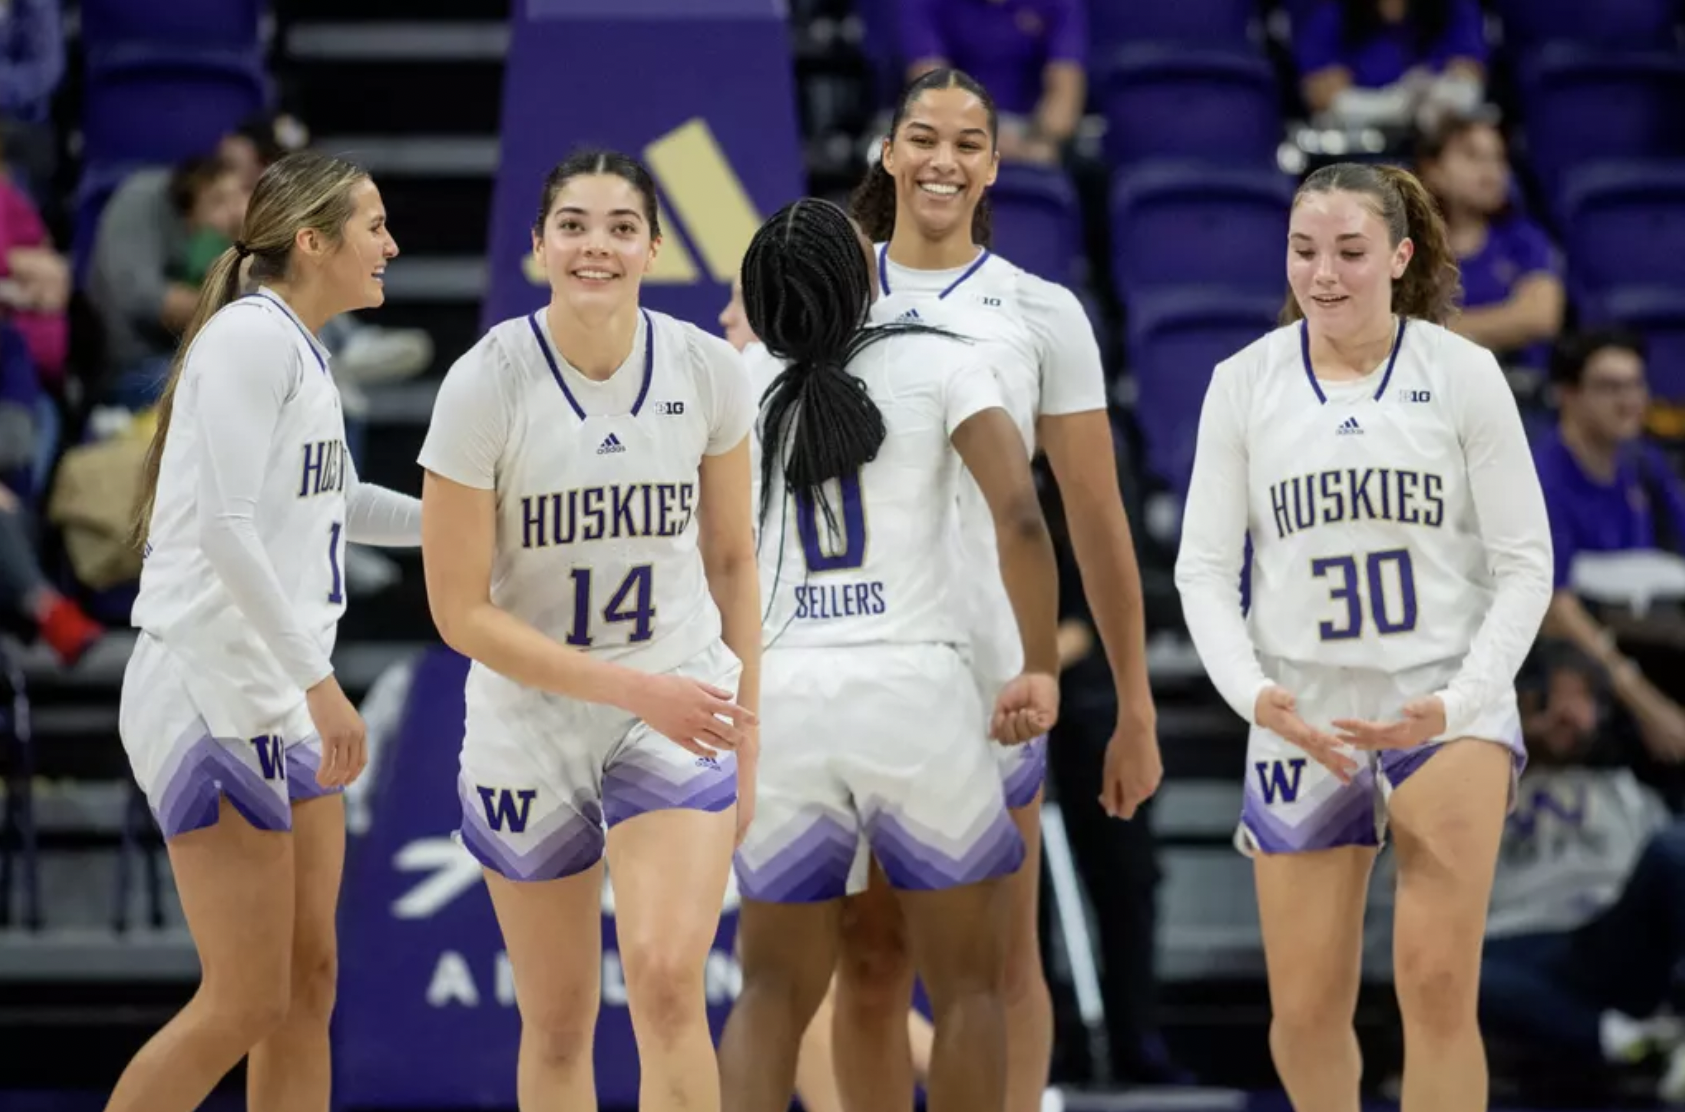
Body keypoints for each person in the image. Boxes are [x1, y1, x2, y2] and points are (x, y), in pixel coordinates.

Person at [1173, 160, 1554, 1112]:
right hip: (1304, 711)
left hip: (1441, 700)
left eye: (1348, 251)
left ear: (1399, 255)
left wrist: (1462, 701)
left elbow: (1525, 566)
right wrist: (1254, 696)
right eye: (1304, 252)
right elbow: (1203, 573)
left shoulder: (1461, 374)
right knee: (1302, 1015)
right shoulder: (1243, 384)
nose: (1324, 274)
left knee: (1434, 987)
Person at [840, 65, 1163, 1112]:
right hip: (846, 661)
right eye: (922, 138)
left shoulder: (1040, 311)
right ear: (886, 153)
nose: (943, 159)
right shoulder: (822, 291)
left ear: (992, 165)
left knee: (999, 961)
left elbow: (1095, 515)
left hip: (986, 669)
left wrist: (1134, 701)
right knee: (874, 957)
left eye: (968, 142)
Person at [417, 148, 761, 1112]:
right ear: (537, 247)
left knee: (663, 983)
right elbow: (457, 612)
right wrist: (629, 688)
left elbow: (733, 561)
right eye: (572, 224)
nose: (595, 245)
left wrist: (748, 733)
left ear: (655, 246)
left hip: (678, 697)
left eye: (619, 226)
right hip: (531, 717)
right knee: (560, 1021)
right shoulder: (483, 383)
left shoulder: (706, 370)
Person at [717, 197, 1061, 1112]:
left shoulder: (739, 379)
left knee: (769, 993)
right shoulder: (943, 358)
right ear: (868, 273)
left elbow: (711, 559)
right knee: (968, 991)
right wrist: (1037, 663)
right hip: (917, 689)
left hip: (787, 693)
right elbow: (1020, 518)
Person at [106, 150, 421, 1112]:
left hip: (275, 691)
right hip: (208, 683)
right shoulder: (249, 339)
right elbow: (225, 531)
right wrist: (322, 687)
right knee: (244, 998)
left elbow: (338, 500)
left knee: (306, 988)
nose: (392, 245)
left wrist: (468, 524)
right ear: (312, 241)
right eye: (373, 226)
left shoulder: (298, 348)